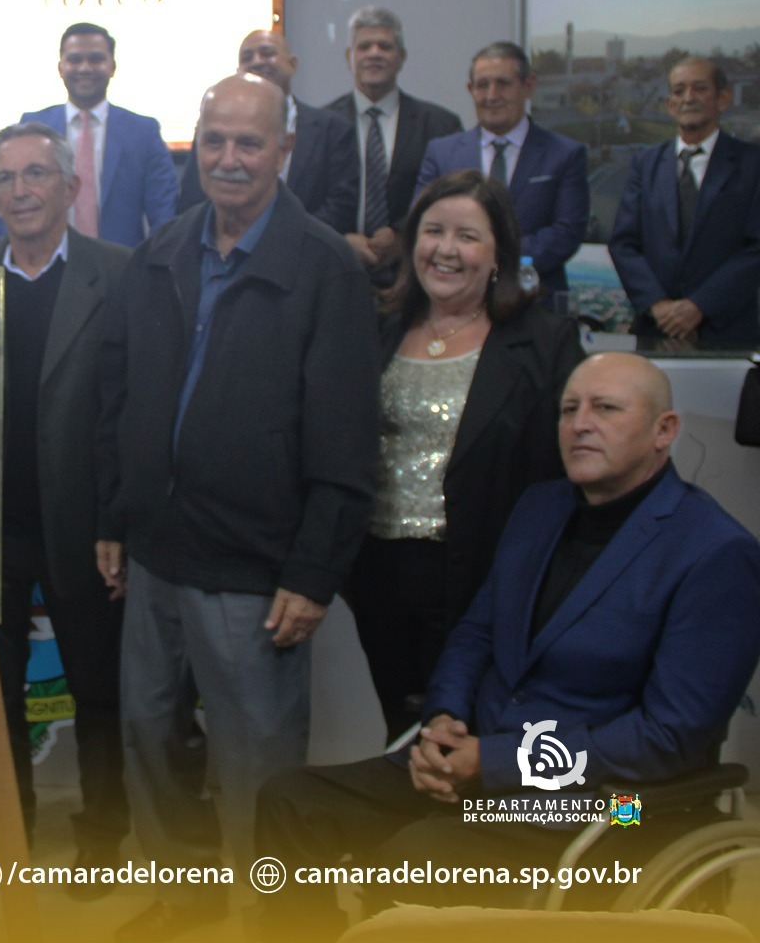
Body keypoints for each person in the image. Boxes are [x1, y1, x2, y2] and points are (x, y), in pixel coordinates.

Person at [256, 353, 760, 941]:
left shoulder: (715, 552)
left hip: (609, 803)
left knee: (412, 861)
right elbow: (477, 634)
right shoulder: (539, 508)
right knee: (290, 800)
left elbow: (669, 736)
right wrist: (445, 722)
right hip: (479, 760)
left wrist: (495, 765)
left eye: (606, 408)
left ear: (663, 431)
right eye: (569, 409)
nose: (580, 424)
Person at [99, 74, 379, 941]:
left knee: (257, 762)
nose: (228, 158)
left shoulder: (324, 265)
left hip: (257, 569)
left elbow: (345, 436)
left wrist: (313, 570)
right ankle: (184, 900)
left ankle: (272, 918)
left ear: (284, 151)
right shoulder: (165, 250)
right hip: (154, 553)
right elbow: (132, 398)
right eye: (213, 139)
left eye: (249, 142)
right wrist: (116, 514)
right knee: (149, 740)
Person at [0, 123, 132, 887]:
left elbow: (133, 411)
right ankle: (7, 827)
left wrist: (117, 523)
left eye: (36, 175)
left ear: (70, 187)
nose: (21, 191)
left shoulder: (120, 273)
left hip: (86, 531)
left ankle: (105, 830)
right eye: (5, 178)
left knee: (98, 688)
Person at [355, 170, 584, 741]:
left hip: (482, 577)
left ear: (499, 253)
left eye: (467, 236)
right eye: (433, 231)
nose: (446, 250)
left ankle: (461, 830)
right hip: (377, 574)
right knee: (399, 727)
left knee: (462, 734)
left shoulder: (545, 342)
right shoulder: (379, 326)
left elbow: (566, 473)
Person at [416, 42, 588, 299]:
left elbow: (567, 231)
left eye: (503, 83)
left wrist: (488, 258)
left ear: (528, 86)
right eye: (482, 85)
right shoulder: (441, 153)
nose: (491, 95)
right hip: (456, 300)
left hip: (534, 299)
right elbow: (421, 221)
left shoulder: (564, 154)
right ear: (470, 89)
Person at [609, 57, 760, 348]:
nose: (688, 98)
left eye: (699, 88)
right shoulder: (645, 164)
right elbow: (624, 243)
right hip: (656, 331)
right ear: (669, 104)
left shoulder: (752, 164)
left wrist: (699, 305)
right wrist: (657, 305)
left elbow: (756, 248)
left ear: (723, 98)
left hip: (727, 333)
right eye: (679, 91)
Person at [322, 7, 464, 279]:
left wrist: (404, 236)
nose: (374, 53)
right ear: (349, 57)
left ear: (401, 58)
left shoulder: (439, 125)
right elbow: (306, 198)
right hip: (336, 269)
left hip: (416, 274)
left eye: (385, 46)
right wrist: (340, 239)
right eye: (364, 46)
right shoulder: (321, 125)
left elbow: (450, 198)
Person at [176, 29, 360, 235]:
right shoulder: (212, 130)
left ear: (293, 64)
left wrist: (279, 237)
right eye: (247, 57)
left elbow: (342, 205)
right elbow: (191, 200)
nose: (256, 61)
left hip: (308, 254)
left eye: (267, 53)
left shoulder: (333, 129)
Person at [18, 22, 179, 245]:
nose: (84, 68)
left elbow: (164, 213)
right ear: (60, 67)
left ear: (112, 66)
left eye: (95, 59)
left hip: (123, 268)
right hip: (45, 267)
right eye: (74, 60)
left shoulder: (144, 132)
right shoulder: (32, 127)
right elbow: (11, 203)